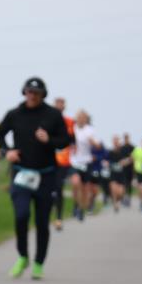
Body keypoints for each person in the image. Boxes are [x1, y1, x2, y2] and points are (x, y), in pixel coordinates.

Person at [0, 77, 71, 280]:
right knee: (21, 215)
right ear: (24, 92)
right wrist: (7, 151)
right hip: (21, 173)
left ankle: (38, 263)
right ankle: (22, 256)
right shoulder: (14, 114)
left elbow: (65, 141)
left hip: (46, 174)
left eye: (36, 93)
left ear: (43, 95)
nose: (32, 95)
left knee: (42, 221)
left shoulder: (53, 115)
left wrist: (49, 140)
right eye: (29, 92)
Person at [68, 110, 98, 221]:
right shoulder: (72, 128)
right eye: (79, 117)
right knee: (75, 183)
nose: (81, 119)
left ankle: (81, 209)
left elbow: (96, 145)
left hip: (86, 162)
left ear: (86, 119)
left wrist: (93, 143)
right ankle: (76, 204)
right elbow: (67, 140)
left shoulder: (90, 130)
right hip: (74, 161)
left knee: (85, 188)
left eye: (83, 117)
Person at [51, 97, 76, 231]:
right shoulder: (47, 120)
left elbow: (73, 140)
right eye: (57, 104)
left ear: (64, 107)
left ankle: (59, 218)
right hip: (48, 159)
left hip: (63, 160)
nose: (59, 106)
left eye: (61, 104)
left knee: (59, 188)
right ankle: (50, 213)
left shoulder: (69, 122)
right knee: (49, 190)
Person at [108, 134, 133, 212]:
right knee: (113, 188)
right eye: (114, 141)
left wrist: (125, 161)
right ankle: (115, 204)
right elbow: (106, 161)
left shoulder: (123, 151)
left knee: (120, 192)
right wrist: (107, 163)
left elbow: (131, 159)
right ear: (112, 142)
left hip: (122, 175)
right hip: (113, 175)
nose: (116, 142)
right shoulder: (110, 152)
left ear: (119, 142)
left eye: (117, 141)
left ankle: (119, 200)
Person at [121, 132, 136, 207]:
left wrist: (128, 161)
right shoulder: (122, 147)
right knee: (123, 184)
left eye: (127, 138)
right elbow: (120, 158)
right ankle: (124, 198)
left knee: (129, 185)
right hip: (123, 169)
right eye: (125, 138)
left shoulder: (132, 147)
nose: (126, 139)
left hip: (130, 169)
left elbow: (134, 157)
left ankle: (129, 198)